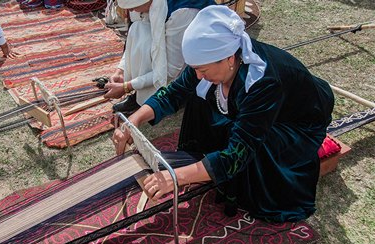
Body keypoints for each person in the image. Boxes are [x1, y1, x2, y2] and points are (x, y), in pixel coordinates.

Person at [112, 5, 335, 223]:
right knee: (198, 96)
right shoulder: (211, 58)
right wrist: (133, 121)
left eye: (203, 70)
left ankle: (224, 177)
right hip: (262, 107)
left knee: (255, 147)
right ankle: (202, 163)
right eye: (195, 69)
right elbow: (174, 93)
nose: (198, 75)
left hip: (296, 122)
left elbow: (238, 153)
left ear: (229, 59)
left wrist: (175, 177)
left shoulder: (263, 82)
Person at [102, 0, 216, 114]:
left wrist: (127, 87)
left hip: (202, 61)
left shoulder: (183, 12)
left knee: (145, 38)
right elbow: (137, 37)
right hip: (177, 45)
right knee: (138, 29)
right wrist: (120, 71)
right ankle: (142, 94)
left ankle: (171, 96)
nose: (130, 10)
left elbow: (170, 70)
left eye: (132, 6)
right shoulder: (152, 3)